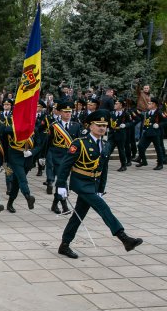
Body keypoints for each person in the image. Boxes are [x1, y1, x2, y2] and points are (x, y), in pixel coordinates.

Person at [55, 110, 143, 259]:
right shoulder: (79, 143)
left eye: (104, 125)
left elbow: (104, 169)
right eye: (98, 125)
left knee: (78, 215)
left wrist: (101, 189)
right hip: (81, 184)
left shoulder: (105, 145)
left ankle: (64, 245)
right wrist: (61, 185)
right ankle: (124, 238)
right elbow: (65, 165)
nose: (102, 128)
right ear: (90, 126)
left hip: (93, 185)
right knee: (102, 207)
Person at [45, 102, 82, 216]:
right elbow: (48, 143)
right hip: (57, 156)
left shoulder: (76, 125)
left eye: (69, 112)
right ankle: (64, 206)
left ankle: (55, 203)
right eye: (65, 112)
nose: (68, 114)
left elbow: (78, 142)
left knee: (62, 180)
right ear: (60, 112)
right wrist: (44, 156)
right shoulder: (54, 126)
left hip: (70, 157)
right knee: (62, 179)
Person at [135, 97, 165, 170]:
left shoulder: (159, 112)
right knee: (140, 146)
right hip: (148, 133)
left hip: (156, 133)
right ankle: (144, 161)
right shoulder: (148, 112)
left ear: (154, 104)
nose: (148, 104)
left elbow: (165, 121)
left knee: (158, 148)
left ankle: (160, 164)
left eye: (150, 103)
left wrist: (159, 125)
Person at [108, 98, 132, 172]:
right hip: (112, 135)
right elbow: (109, 122)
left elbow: (131, 123)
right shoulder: (111, 113)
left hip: (121, 135)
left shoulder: (125, 114)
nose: (115, 105)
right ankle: (103, 163)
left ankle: (123, 165)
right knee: (108, 150)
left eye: (116, 104)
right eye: (115, 103)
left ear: (121, 105)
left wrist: (125, 125)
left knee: (121, 151)